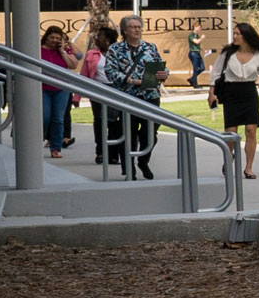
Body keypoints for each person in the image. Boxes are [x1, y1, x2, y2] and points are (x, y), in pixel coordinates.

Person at [99, 16, 172, 181]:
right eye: (133, 27)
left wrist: (164, 74)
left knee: (150, 133)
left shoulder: (150, 47)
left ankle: (143, 161)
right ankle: (129, 169)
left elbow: (160, 66)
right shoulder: (115, 49)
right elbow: (110, 72)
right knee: (128, 134)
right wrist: (132, 80)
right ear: (125, 30)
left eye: (139, 27)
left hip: (150, 95)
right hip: (128, 97)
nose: (137, 30)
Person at [207, 23, 259, 180]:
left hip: (249, 93)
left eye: (238, 33)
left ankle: (248, 168)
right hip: (231, 92)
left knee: (251, 130)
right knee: (231, 132)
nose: (235, 36)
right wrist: (211, 93)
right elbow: (216, 72)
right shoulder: (228, 52)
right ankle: (228, 158)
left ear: (246, 36)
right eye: (234, 33)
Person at [39, 26, 82, 158]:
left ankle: (56, 148)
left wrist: (62, 51)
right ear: (46, 37)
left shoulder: (63, 50)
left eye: (57, 38)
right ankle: (39, 140)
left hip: (61, 89)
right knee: (45, 117)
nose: (54, 40)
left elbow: (74, 65)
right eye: (52, 37)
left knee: (58, 118)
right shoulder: (38, 50)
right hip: (43, 87)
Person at [83, 27, 117, 165]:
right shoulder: (92, 54)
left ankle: (113, 153)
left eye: (100, 36)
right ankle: (101, 152)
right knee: (100, 121)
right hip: (97, 89)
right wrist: (77, 97)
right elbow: (84, 75)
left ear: (108, 40)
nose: (97, 39)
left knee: (114, 122)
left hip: (115, 90)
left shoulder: (118, 53)